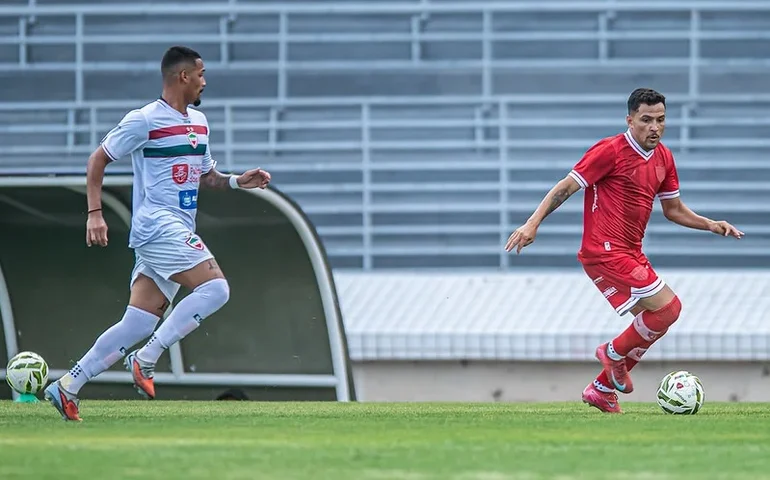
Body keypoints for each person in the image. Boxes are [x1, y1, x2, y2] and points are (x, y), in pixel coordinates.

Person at [44, 46, 271, 421]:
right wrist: (95, 214)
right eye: (200, 74)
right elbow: (98, 159)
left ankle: (68, 385)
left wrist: (236, 181)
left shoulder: (199, 122)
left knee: (138, 322)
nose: (204, 81)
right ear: (183, 76)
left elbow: (205, 176)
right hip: (158, 224)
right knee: (216, 289)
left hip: (176, 227)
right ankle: (146, 358)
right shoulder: (144, 119)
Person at [504, 88, 743, 413]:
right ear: (630, 120)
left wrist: (710, 224)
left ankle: (602, 388)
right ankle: (612, 353)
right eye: (646, 120)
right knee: (669, 309)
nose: (654, 127)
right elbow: (566, 186)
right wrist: (532, 224)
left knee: (654, 323)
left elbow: (673, 209)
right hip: (604, 251)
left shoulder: (664, 158)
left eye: (660, 120)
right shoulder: (610, 151)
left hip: (630, 252)